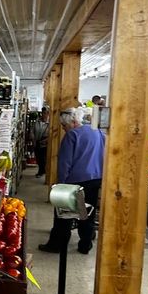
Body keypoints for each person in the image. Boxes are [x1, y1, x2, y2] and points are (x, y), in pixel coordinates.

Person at [39, 107, 105, 254]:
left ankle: (57, 244)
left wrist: (60, 185)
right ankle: (85, 244)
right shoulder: (98, 132)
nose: (64, 129)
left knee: (63, 215)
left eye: (64, 126)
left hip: (74, 182)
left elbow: (64, 163)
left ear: (73, 122)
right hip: (95, 179)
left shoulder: (72, 136)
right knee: (87, 213)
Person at [30, 106, 49, 177]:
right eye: (42, 113)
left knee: (43, 159)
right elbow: (32, 130)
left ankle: (41, 171)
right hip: (36, 142)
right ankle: (41, 170)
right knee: (38, 158)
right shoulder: (37, 121)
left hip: (45, 144)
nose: (43, 114)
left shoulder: (49, 123)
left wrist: (46, 140)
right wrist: (33, 138)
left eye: (45, 113)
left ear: (48, 114)